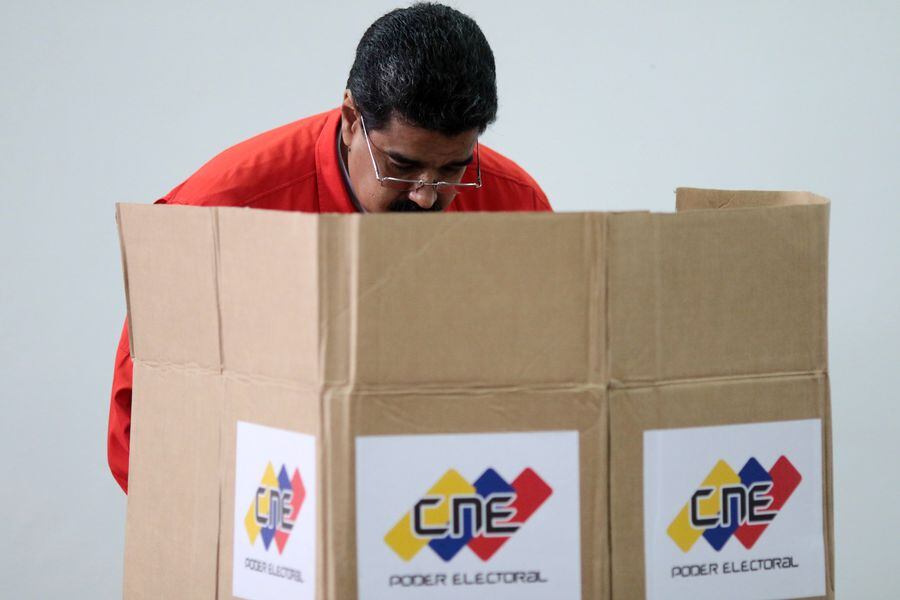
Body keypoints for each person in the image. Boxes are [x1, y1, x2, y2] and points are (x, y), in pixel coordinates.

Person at [107, 2, 552, 493]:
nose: (427, 195)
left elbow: (554, 398)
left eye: (453, 169)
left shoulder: (516, 209)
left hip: (447, 512)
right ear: (349, 119)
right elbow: (140, 436)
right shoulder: (217, 217)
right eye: (401, 166)